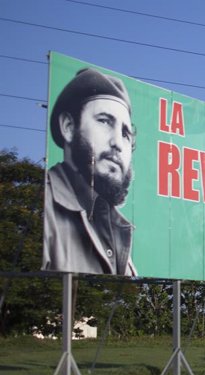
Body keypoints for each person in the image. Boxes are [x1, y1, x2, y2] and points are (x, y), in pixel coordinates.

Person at [43, 67, 137, 276]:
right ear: (68, 126)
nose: (117, 144)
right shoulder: (39, 206)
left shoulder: (118, 228)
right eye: (104, 121)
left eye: (126, 134)